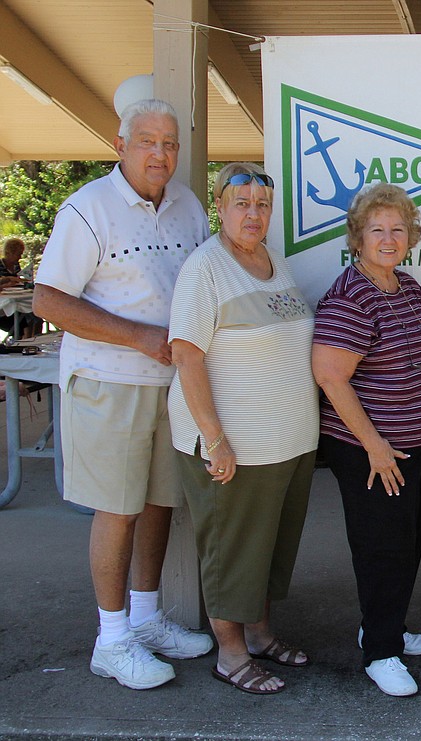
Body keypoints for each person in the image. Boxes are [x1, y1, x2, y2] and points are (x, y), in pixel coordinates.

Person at [32, 99, 214, 690]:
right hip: (110, 382)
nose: (160, 154)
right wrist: (136, 335)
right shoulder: (87, 209)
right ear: (121, 145)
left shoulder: (188, 204)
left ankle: (145, 619)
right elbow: (48, 301)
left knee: (160, 502)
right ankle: (110, 641)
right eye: (147, 142)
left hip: (172, 384)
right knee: (118, 508)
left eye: (169, 144)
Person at [168, 163, 319, 694]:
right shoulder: (205, 267)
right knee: (232, 549)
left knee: (270, 547)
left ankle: (259, 635)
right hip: (235, 445)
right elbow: (186, 355)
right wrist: (215, 438)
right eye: (241, 203)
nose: (253, 213)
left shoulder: (273, 261)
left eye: (261, 204)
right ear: (220, 207)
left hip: (289, 440)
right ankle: (230, 655)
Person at [312, 183, 421, 698]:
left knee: (408, 541)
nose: (388, 239)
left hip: (419, 441)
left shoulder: (406, 286)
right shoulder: (350, 296)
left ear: (410, 236)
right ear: (357, 238)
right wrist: (374, 445)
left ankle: (385, 626)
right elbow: (330, 376)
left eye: (398, 230)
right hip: (374, 451)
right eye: (377, 230)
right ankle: (381, 653)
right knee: (381, 549)